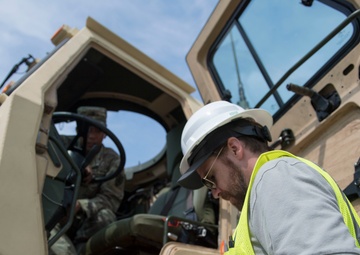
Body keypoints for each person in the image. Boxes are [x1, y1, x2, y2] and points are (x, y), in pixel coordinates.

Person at [177, 100, 360, 254]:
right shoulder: (256, 205)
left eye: (211, 178)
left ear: (234, 148)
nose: (215, 193)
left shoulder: (276, 179)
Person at [51, 106, 126, 254]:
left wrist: (80, 205)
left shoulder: (112, 159)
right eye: (87, 129)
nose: (91, 136)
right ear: (79, 129)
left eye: (97, 131)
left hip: (84, 219)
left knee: (106, 216)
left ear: (104, 134)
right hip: (55, 210)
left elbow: (110, 199)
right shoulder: (61, 144)